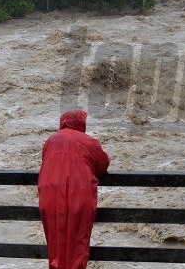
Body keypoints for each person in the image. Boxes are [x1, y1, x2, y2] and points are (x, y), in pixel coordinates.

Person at [38, 110, 110, 269]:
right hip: (77, 195)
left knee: (56, 242)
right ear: (80, 123)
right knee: (77, 243)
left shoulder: (50, 141)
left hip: (49, 195)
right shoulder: (88, 142)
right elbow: (103, 164)